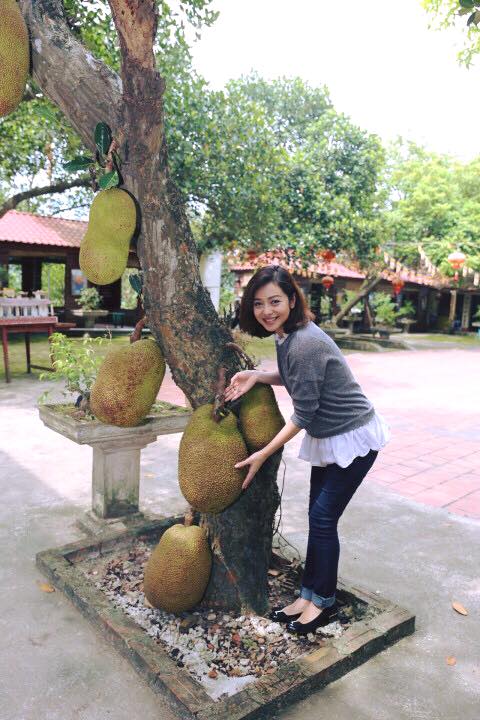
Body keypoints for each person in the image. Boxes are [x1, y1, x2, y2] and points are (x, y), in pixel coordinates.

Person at [224, 265, 390, 635]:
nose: (267, 311)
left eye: (275, 302)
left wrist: (264, 452)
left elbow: (304, 412)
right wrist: (257, 376)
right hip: (329, 435)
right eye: (259, 303)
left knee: (322, 518)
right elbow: (296, 377)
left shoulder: (306, 341)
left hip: (354, 438)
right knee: (318, 516)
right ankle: (307, 595)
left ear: (292, 300)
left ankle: (323, 603)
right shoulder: (287, 336)